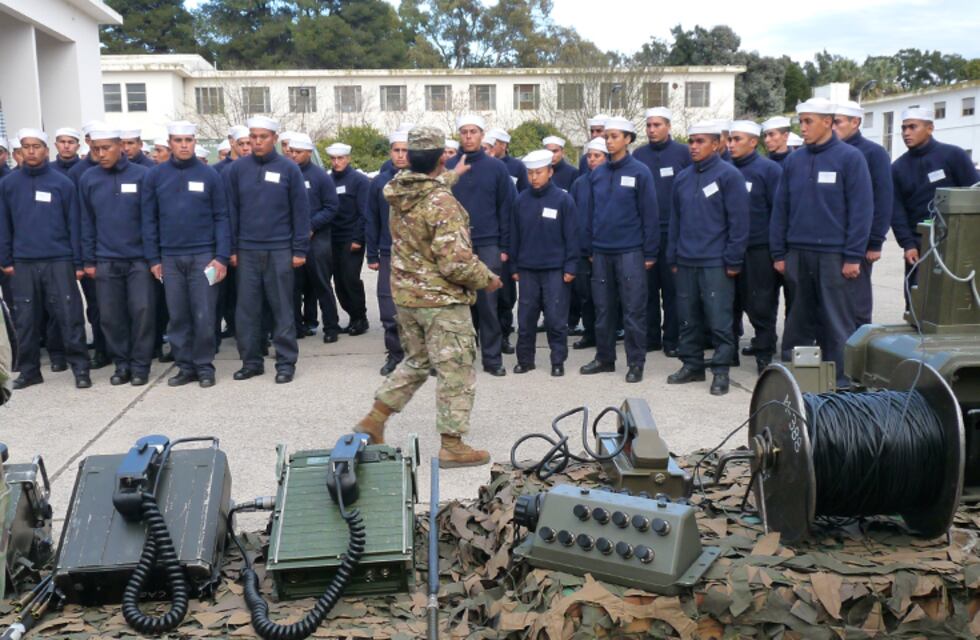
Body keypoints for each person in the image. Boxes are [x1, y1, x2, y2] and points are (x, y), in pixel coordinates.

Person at [353, 126, 502, 468]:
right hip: (441, 301)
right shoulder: (442, 203)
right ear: (440, 158)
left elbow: (430, 188)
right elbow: (456, 263)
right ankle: (452, 445)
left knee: (417, 362)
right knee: (456, 369)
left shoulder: (400, 190)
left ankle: (374, 420)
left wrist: (453, 175)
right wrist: (488, 279)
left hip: (408, 297)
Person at [771, 98, 873, 387]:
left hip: (834, 256)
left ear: (827, 122)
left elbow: (861, 210)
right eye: (800, 121)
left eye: (808, 121)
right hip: (798, 254)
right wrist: (779, 253)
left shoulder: (850, 158)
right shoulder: (794, 161)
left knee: (836, 323)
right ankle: (797, 382)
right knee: (798, 322)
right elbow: (781, 209)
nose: (802, 128)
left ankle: (841, 384)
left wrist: (853, 256)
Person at [0, 129, 91, 389]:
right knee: (26, 319)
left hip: (59, 260)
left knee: (69, 315)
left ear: (46, 150)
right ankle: (29, 371)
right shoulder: (8, 185)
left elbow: (75, 224)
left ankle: (80, 368)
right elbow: (3, 224)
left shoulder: (62, 183)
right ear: (19, 151)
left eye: (36, 146)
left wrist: (77, 262)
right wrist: (6, 259)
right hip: (23, 262)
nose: (31, 151)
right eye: (26, 146)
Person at [142, 120, 230, 387]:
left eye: (188, 140)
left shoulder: (209, 175)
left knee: (204, 314)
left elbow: (222, 217)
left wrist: (221, 256)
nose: (183, 145)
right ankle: (185, 366)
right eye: (178, 140)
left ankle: (204, 367)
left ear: (194, 142)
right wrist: (154, 259)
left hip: (204, 256)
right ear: (170, 143)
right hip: (169, 258)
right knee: (178, 315)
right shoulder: (155, 176)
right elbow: (149, 220)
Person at [667, 121, 749, 395]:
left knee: (719, 319)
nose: (693, 146)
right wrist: (673, 256)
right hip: (686, 260)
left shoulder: (729, 176)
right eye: (691, 141)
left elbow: (739, 222)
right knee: (687, 318)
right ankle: (692, 365)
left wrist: (734, 259)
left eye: (700, 141)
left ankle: (721, 370)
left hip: (716, 261)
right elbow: (675, 220)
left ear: (716, 144)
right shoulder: (682, 178)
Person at [225, 116, 310, 384]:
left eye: (263, 137)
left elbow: (301, 211)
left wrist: (299, 249)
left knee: (282, 308)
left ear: (274, 138)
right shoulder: (237, 170)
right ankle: (251, 362)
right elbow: (231, 212)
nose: (257, 141)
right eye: (253, 136)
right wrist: (232, 249)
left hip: (280, 249)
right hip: (247, 250)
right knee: (247, 310)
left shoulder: (289, 169)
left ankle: (285, 362)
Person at [580, 117, 659, 383]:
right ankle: (604, 358)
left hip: (630, 252)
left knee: (633, 310)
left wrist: (650, 252)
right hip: (601, 251)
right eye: (607, 137)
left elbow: (649, 214)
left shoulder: (640, 172)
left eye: (615, 136)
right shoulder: (597, 174)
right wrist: (590, 246)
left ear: (627, 139)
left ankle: (636, 363)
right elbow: (590, 213)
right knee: (603, 309)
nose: (609, 141)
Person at [79, 128, 154, 386]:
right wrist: (89, 260)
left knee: (142, 312)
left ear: (120, 146)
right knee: (111, 316)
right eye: (95, 149)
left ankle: (141, 366)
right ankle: (122, 364)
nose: (100, 154)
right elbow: (86, 222)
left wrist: (152, 257)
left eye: (106, 148)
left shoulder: (143, 175)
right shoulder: (88, 179)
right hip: (105, 260)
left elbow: (150, 219)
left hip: (139, 260)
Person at [444, 114, 517, 377]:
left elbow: (506, 209)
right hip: (455, 245)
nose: (468, 136)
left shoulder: (497, 168)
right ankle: (457, 360)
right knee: (455, 306)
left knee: (488, 305)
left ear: (482, 135)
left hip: (488, 244)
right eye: (464, 132)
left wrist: (504, 247)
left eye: (473, 131)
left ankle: (492, 359)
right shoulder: (448, 167)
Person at [891, 107, 980, 306]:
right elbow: (896, 211)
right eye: (903, 128)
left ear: (930, 128)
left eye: (912, 127)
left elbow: (975, 194)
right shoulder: (898, 168)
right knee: (917, 298)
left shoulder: (953, 156)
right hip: (920, 243)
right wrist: (908, 244)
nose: (906, 133)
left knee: (956, 298)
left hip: (958, 241)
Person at [510, 149, 578, 376]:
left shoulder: (563, 199)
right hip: (527, 269)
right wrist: (514, 266)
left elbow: (572, 236)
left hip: (555, 270)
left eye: (538, 172)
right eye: (530, 173)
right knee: (526, 319)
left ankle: (557, 361)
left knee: (556, 319)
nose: (534, 177)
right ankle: (525, 360)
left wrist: (571, 266)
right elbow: (514, 235)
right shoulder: (520, 200)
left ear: (550, 172)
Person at [633, 107, 691, 356]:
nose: (652, 130)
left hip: (672, 231)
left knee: (672, 289)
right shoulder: (639, 155)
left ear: (668, 126)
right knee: (646, 289)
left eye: (657, 125)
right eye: (648, 125)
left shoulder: (683, 153)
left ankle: (672, 339)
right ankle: (651, 338)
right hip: (646, 232)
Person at [726, 120, 782, 373]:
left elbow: (778, 213)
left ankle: (763, 352)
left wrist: (777, 251)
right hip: (728, 247)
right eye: (730, 139)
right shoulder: (724, 170)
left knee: (760, 304)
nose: (731, 144)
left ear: (753, 141)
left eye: (737, 139)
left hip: (758, 249)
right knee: (728, 303)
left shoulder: (769, 170)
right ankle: (728, 352)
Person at [833, 100, 893, 325]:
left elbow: (883, 199)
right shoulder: (831, 152)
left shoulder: (873, 153)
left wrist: (875, 241)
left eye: (838, 122)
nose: (833, 128)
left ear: (855, 122)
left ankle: (860, 338)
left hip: (861, 240)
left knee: (857, 296)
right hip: (834, 239)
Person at [287, 133, 341, 344]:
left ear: (309, 153)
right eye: (291, 151)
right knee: (293, 286)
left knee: (321, 283)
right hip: (293, 239)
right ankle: (296, 326)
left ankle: (331, 326)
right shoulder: (287, 174)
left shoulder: (320, 176)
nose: (293, 155)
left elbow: (331, 207)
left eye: (298, 152)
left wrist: (311, 226)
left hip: (317, 239)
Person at [366, 130, 409, 375]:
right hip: (388, 252)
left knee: (422, 308)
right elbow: (371, 219)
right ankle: (394, 353)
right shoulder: (380, 182)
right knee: (388, 307)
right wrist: (372, 254)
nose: (400, 155)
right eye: (396, 150)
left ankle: (424, 356)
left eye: (405, 150)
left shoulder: (424, 179)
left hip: (418, 255)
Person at [325, 142, 371, 336]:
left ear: (348, 158)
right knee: (339, 281)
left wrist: (358, 238)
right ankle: (352, 316)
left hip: (351, 237)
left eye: (340, 158)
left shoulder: (360, 181)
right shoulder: (328, 180)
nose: (336, 162)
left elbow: (365, 212)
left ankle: (360, 317)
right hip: (332, 238)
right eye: (333, 159)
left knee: (350, 278)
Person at [486, 127, 524, 355]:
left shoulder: (509, 171)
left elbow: (515, 209)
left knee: (504, 294)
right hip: (478, 243)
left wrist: (507, 246)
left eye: (490, 147)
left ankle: (504, 335)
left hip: (502, 243)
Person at [568, 137, 607, 352]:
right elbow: (573, 217)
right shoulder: (579, 183)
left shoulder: (610, 180)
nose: (592, 160)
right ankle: (589, 333)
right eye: (589, 156)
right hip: (582, 249)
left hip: (603, 249)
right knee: (585, 295)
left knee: (604, 296)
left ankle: (606, 335)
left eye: (597, 156)